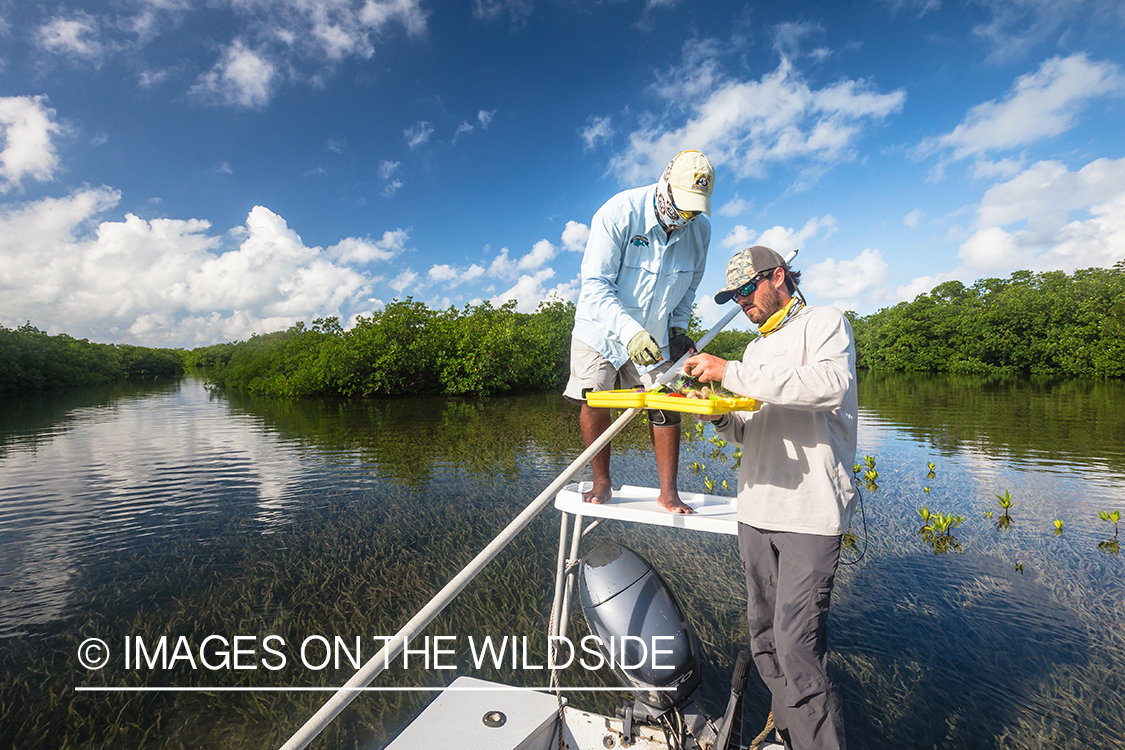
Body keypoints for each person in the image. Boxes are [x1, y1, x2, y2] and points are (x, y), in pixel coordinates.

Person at [683, 245, 857, 750]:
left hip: (809, 513)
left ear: (777, 276)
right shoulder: (755, 350)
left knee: (797, 648)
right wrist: (716, 413)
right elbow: (747, 431)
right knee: (764, 642)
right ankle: (790, 733)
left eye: (744, 290)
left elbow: (830, 385)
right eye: (732, 296)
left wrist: (730, 372)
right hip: (756, 510)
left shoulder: (825, 322)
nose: (740, 302)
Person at [563, 150, 715, 514]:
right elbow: (596, 286)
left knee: (668, 401)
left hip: (656, 331)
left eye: (695, 209)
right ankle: (602, 482)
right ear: (665, 182)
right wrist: (629, 333)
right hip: (599, 327)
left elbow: (689, 287)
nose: (686, 216)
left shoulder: (701, 230)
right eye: (683, 205)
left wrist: (679, 328)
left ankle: (668, 492)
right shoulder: (618, 212)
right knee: (594, 398)